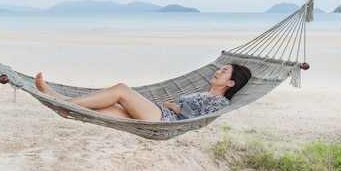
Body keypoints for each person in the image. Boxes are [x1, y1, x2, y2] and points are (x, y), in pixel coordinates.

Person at [35, 64, 252, 122]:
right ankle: (64, 104)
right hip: (159, 114)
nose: (217, 72)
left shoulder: (220, 102)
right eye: (219, 68)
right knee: (108, 107)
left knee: (121, 89)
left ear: (231, 83)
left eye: (223, 72)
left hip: (165, 119)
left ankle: (64, 102)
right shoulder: (204, 93)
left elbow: (193, 117)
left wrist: (173, 106)